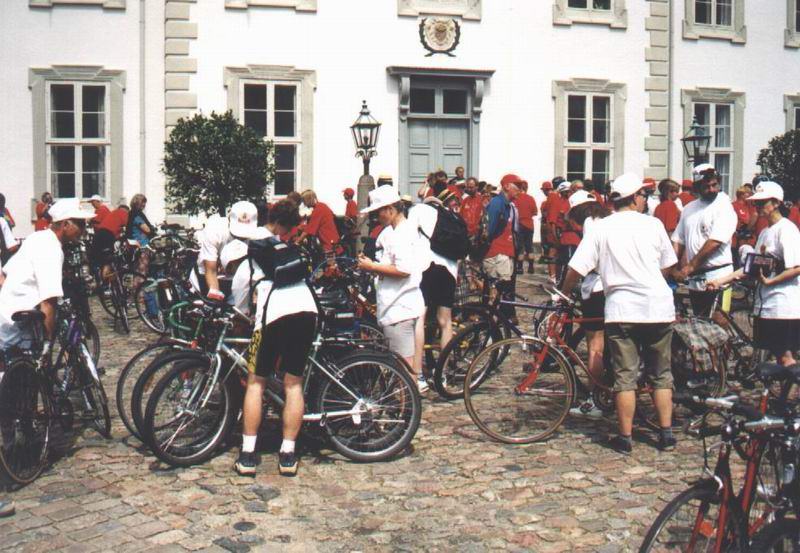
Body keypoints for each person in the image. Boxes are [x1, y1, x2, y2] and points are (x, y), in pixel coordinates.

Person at [560, 173, 678, 454]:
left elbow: (576, 267)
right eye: (643, 195)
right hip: (657, 306)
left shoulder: (602, 227)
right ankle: (666, 433)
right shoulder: (653, 224)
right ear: (635, 198)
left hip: (622, 309)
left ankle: (625, 437)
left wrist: (563, 293)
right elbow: (668, 264)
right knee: (661, 374)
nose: (645, 200)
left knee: (625, 377)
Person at [235, 200, 318, 477]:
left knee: (256, 383)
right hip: (305, 311)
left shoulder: (252, 246)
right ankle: (288, 454)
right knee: (293, 384)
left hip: (272, 315)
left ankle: (248, 454)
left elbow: (241, 296)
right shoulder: (285, 247)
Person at [708, 181, 800, 367]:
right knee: (778, 357)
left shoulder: (787, 229)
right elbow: (751, 267)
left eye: (762, 202)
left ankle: (790, 386)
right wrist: (720, 281)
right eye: (756, 203)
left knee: (785, 357)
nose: (758, 206)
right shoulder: (766, 232)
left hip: (783, 305)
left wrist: (770, 282)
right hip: (767, 305)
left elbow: (796, 267)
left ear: (776, 203)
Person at [357, 186, 425, 388]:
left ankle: (407, 405)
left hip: (398, 308)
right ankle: (408, 403)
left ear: (390, 209)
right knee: (408, 368)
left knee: (402, 371)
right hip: (407, 303)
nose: (377, 217)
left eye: (378, 212)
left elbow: (403, 269)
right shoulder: (404, 229)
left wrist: (372, 267)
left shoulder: (400, 234)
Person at [409, 189, 461, 392]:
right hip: (449, 271)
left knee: (419, 319)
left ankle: (418, 374)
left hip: (425, 268)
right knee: (445, 322)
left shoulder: (417, 210)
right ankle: (443, 374)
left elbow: (408, 238)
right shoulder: (449, 216)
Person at [564, 190, 609, 419]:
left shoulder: (591, 226)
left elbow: (577, 267)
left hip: (597, 288)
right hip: (615, 288)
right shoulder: (608, 220)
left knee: (595, 347)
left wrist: (563, 291)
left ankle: (595, 399)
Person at [671, 164, 738, 320]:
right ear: (697, 187)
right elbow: (678, 240)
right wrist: (673, 268)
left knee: (719, 321)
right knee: (700, 324)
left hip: (719, 276)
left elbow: (715, 242)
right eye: (706, 186)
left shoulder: (724, 206)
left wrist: (690, 267)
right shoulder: (689, 209)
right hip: (695, 280)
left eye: (715, 185)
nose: (712, 189)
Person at [191, 201, 260, 300]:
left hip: (236, 279)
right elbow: (210, 270)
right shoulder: (214, 230)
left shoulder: (257, 236)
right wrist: (215, 292)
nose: (240, 237)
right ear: (229, 219)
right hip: (207, 276)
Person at [484, 174, 521, 321]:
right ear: (506, 186)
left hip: (505, 252)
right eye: (517, 186)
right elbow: (489, 231)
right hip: (497, 253)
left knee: (502, 291)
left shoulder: (507, 204)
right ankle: (489, 322)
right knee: (496, 291)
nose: (520, 190)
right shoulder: (497, 203)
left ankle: (498, 320)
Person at [90, 203, 129, 278]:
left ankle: (98, 279)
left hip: (98, 235)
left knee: (97, 261)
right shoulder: (123, 213)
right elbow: (130, 227)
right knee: (107, 261)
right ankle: (105, 280)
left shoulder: (113, 213)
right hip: (106, 236)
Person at [513, 181, 538, 274]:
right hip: (529, 225)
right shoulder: (531, 198)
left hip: (519, 224)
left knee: (520, 247)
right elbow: (535, 212)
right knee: (529, 246)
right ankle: (531, 267)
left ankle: (520, 268)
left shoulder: (515, 198)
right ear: (526, 188)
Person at [731, 184, 757, 263]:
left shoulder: (749, 206)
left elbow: (754, 216)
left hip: (747, 240)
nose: (750, 195)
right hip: (736, 241)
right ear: (741, 195)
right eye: (747, 193)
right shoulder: (733, 206)